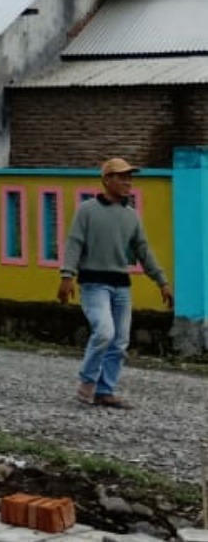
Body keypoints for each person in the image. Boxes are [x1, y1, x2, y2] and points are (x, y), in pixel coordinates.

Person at [57, 157, 174, 409]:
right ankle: (87, 381)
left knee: (119, 341)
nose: (127, 182)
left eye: (130, 177)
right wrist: (67, 275)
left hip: (121, 286)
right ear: (107, 179)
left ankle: (105, 391)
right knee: (104, 332)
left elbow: (144, 251)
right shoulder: (87, 210)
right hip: (94, 284)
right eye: (122, 176)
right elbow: (74, 243)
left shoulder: (131, 216)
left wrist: (162, 281)